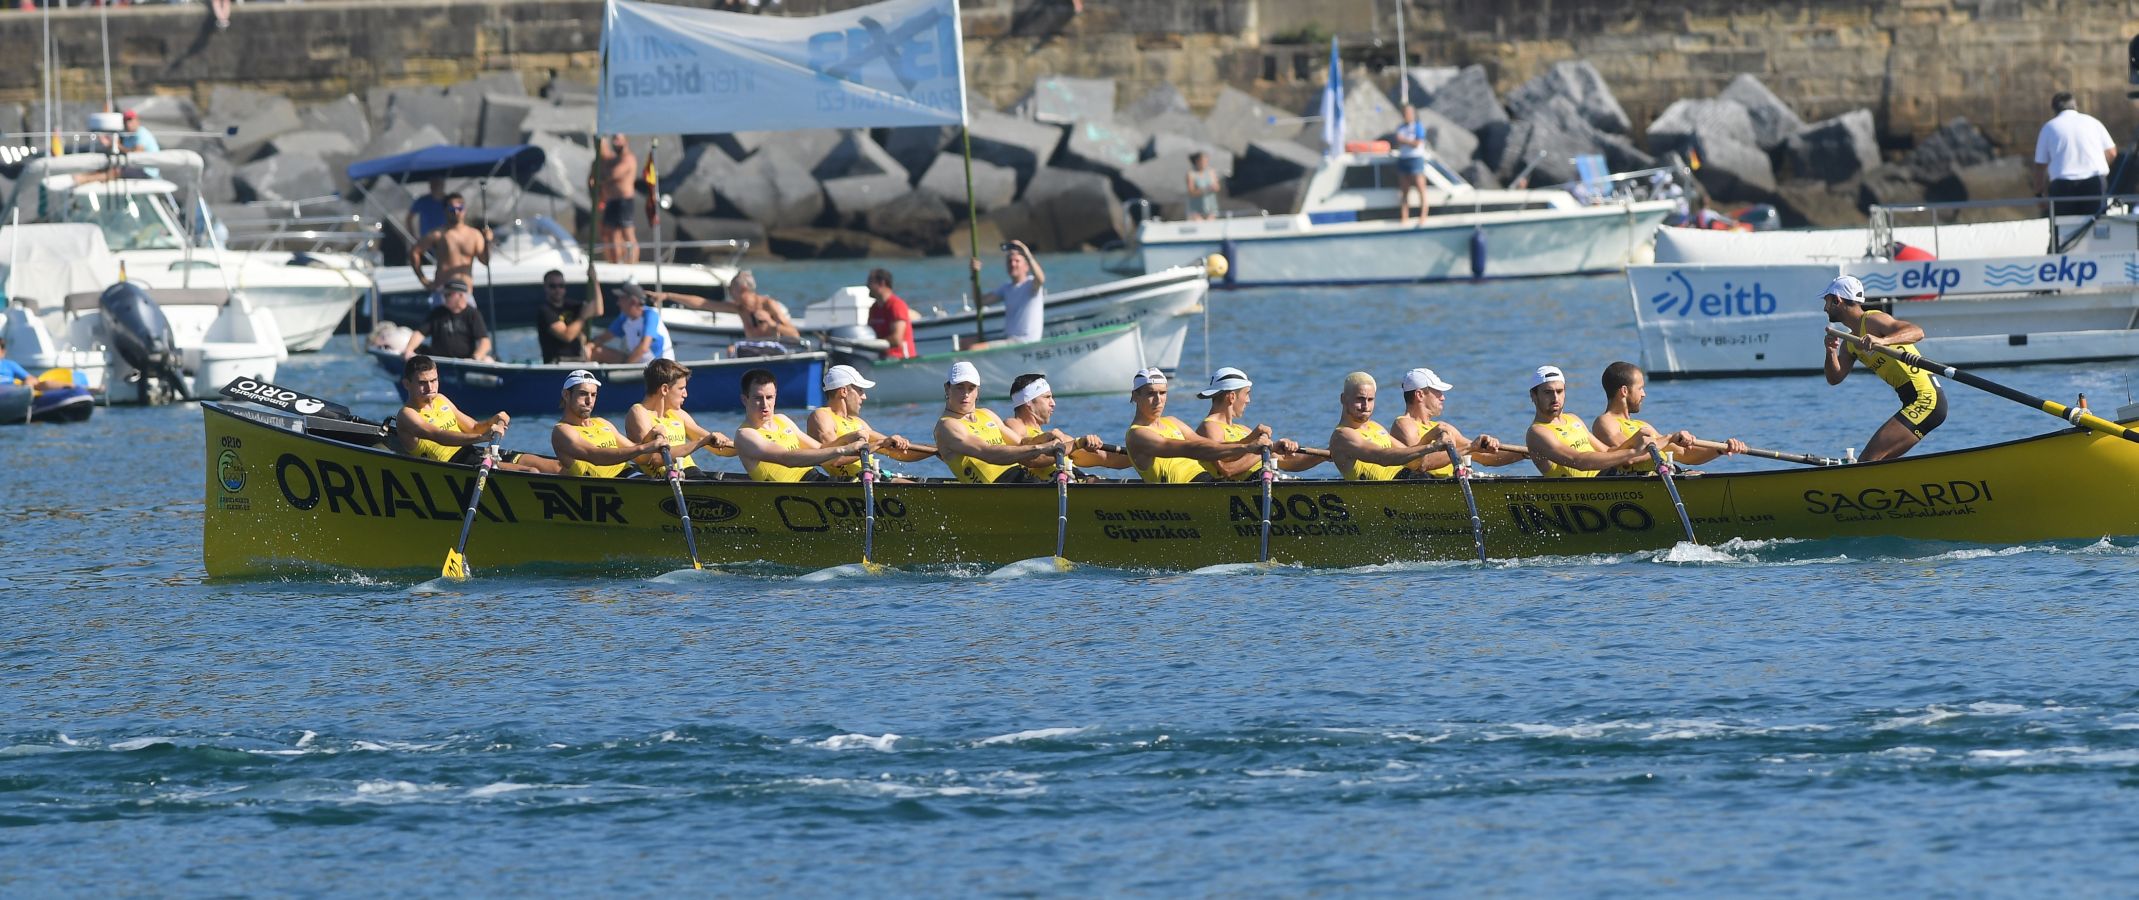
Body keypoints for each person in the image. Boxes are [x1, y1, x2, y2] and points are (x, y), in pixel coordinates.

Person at [1822, 275, 1946, 461]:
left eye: (1827, 301)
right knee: (1879, 462)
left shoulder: (1872, 320)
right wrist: (1830, 351)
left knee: (1867, 461)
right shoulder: (1849, 343)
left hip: (1926, 399)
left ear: (1837, 300)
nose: (1825, 308)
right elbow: (1835, 378)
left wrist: (1883, 340)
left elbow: (1917, 332)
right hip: (1912, 401)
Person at [392, 355, 559, 473]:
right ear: (407, 384)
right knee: (531, 472)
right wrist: (482, 438)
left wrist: (493, 420)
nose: (430, 388)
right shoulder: (407, 415)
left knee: (553, 467)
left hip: (473, 454)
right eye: (422, 383)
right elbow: (439, 435)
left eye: (433, 380)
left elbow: (473, 427)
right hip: (453, 466)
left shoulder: (441, 399)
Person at [1123, 367, 1271, 484]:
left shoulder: (1173, 421)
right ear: (1135, 396)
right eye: (1150, 394)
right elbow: (1190, 448)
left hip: (1209, 484)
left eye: (1162, 393)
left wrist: (1250, 442)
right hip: (1185, 493)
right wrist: (1247, 447)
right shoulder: (1137, 435)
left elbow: (1208, 445)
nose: (1158, 400)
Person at [1591, 361, 1746, 472]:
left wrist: (1721, 448)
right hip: (1637, 486)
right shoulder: (1605, 421)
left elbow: (1686, 454)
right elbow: (1629, 457)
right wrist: (1669, 438)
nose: (1644, 394)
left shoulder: (1642, 425)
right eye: (1640, 388)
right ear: (1624, 391)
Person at [934, 361, 1072, 484]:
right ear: (947, 388)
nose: (966, 394)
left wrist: (1043, 438)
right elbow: (988, 453)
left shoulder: (987, 414)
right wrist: (1041, 448)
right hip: (996, 490)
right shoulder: (947, 426)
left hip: (1021, 478)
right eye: (959, 387)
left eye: (971, 388)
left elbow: (1020, 444)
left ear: (978, 391)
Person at [733, 367, 871, 482]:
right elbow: (787, 458)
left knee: (866, 481)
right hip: (789, 494)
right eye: (758, 398)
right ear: (744, 400)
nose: (765, 405)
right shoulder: (746, 434)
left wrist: (847, 438)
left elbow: (821, 449)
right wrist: (844, 449)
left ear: (775, 396)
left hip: (814, 480)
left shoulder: (782, 419)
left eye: (769, 397)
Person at [1523, 365, 1660, 477]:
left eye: (1559, 391)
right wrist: (1632, 453)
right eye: (1548, 392)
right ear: (1533, 396)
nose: (1555, 398)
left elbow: (1608, 452)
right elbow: (1578, 461)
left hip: (1609, 477)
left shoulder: (1573, 419)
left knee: (1659, 467)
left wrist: (1634, 441)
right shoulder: (1537, 432)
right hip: (1590, 488)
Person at [1386, 367, 1525, 475]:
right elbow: (1423, 464)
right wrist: (1470, 447)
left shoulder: (1443, 428)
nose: (1443, 398)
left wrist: (1526, 453)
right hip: (1423, 486)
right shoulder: (1404, 424)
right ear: (1420, 395)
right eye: (1438, 392)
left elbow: (1484, 457)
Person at [805, 364, 934, 480]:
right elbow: (834, 458)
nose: (864, 397)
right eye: (860, 390)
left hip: (873, 477)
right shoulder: (822, 416)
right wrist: (879, 444)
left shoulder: (859, 423)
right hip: (850, 484)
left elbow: (902, 454)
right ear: (843, 391)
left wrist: (938, 449)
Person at [1194, 367, 1320, 480]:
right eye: (1247, 393)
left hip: (1266, 482)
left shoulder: (1244, 430)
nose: (1248, 400)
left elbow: (1285, 462)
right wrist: (1267, 450)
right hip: (1238, 490)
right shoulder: (1210, 427)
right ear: (1231, 397)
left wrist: (1323, 456)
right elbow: (1227, 470)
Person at [1328, 372, 1454, 480]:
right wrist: (1432, 446)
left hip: (1412, 479)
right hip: (1393, 487)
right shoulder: (1343, 435)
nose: (1366, 406)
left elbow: (1415, 462)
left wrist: (1428, 438)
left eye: (1370, 399)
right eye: (1360, 399)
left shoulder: (1376, 427)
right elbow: (1383, 457)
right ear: (1343, 399)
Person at [624, 358, 734, 479]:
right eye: (681, 388)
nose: (685, 394)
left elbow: (719, 449)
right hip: (667, 479)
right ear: (665, 389)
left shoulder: (678, 414)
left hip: (692, 474)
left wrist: (748, 446)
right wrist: (701, 442)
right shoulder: (639, 413)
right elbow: (656, 459)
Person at [551, 369, 671, 478]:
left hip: (631, 476)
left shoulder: (602, 423)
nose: (589, 401)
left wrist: (651, 436)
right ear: (566, 395)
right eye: (583, 394)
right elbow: (595, 456)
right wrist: (644, 447)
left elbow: (641, 458)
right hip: (607, 485)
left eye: (593, 395)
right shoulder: (563, 431)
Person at [1002, 372, 1129, 473]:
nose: (1053, 403)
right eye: (1047, 397)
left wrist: (1140, 455)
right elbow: (1023, 446)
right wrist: (1046, 438)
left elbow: (1107, 459)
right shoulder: (1013, 424)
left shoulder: (1062, 439)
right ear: (1028, 402)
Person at [2032, 91, 2118, 218]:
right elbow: (2112, 152)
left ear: (2054, 109)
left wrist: (2039, 194)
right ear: (2075, 106)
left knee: (2063, 230)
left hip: (2062, 187)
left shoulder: (2049, 127)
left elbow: (2040, 165)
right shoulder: (2093, 122)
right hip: (2094, 183)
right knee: (2097, 228)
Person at [408, 192, 492, 307]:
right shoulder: (438, 234)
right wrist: (424, 280)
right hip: (443, 292)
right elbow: (415, 252)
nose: (456, 212)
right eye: (452, 209)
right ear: (445, 211)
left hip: (465, 294)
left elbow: (485, 261)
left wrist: (488, 242)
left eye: (460, 208)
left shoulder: (475, 235)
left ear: (464, 210)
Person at [969, 239, 1046, 346]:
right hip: (1009, 339)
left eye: (1017, 261)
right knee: (965, 343)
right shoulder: (1006, 288)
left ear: (1026, 266)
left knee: (975, 348)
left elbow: (1041, 278)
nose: (1012, 264)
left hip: (1024, 341)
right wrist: (974, 275)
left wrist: (1026, 252)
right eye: (1009, 261)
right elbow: (979, 302)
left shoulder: (1032, 284)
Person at [401, 279, 494, 361]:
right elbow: (420, 333)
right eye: (444, 294)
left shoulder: (473, 314)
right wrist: (409, 349)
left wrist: (475, 358)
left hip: (464, 362)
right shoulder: (437, 313)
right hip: (439, 361)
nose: (444, 297)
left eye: (448, 294)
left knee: (488, 360)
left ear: (461, 295)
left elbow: (485, 342)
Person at [589, 283, 673, 364]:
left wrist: (625, 368)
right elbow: (603, 338)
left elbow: (644, 347)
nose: (618, 303)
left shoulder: (650, 315)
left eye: (621, 298)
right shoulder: (624, 318)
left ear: (633, 301)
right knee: (597, 352)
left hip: (660, 365)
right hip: (638, 364)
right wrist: (590, 345)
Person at [536, 269, 601, 364]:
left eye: (561, 286)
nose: (557, 290)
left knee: (600, 351)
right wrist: (582, 318)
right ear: (545, 287)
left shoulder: (571, 305)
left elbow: (598, 310)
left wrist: (595, 281)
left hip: (578, 358)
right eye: (553, 286)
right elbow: (567, 336)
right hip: (557, 362)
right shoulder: (545, 310)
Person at [596, 135, 640, 264]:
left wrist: (601, 175)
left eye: (618, 139)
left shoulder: (628, 159)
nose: (615, 142)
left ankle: (632, 262)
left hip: (624, 201)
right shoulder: (613, 160)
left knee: (627, 234)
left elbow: (613, 174)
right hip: (611, 201)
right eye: (614, 139)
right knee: (611, 234)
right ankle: (614, 262)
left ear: (626, 141)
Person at [1392, 105, 1432, 226]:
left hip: (1415, 159)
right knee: (1404, 191)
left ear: (1413, 114)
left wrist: (1404, 140)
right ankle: (1404, 216)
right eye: (1405, 113)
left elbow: (1417, 143)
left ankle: (1423, 216)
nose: (1406, 115)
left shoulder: (1418, 127)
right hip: (1404, 159)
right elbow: (1398, 141)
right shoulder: (1400, 127)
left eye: (1409, 113)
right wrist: (1404, 141)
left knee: (1421, 189)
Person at [865, 268, 917, 359]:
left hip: (900, 359)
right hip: (881, 357)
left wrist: (873, 344)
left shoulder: (896, 305)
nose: (867, 285)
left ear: (882, 283)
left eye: (870, 282)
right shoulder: (873, 308)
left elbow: (897, 339)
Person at [404, 177, 448, 244]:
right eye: (433, 184)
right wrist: (413, 236)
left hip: (445, 242)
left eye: (437, 184)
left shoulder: (449, 201)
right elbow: (409, 218)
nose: (435, 187)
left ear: (443, 185)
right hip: (426, 243)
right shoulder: (423, 201)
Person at [1185, 151, 1222, 221]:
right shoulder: (1191, 174)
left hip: (1211, 208)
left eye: (1206, 160)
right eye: (1203, 160)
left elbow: (1217, 187)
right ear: (1197, 161)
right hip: (1196, 210)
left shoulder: (1211, 172)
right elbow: (1191, 192)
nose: (1205, 162)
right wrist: (1206, 189)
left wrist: (1214, 187)